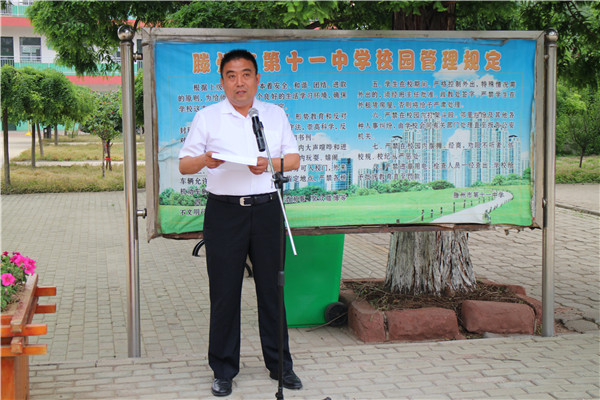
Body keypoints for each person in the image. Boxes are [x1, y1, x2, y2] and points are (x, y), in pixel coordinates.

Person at [179, 49, 302, 397]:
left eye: (246, 74)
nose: (239, 82)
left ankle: (280, 366)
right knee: (224, 293)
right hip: (224, 213)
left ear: (257, 79)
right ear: (222, 82)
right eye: (231, 76)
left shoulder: (273, 114)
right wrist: (206, 160)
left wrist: (270, 163)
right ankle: (223, 370)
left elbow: (293, 158)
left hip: (267, 209)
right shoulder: (207, 117)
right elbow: (184, 165)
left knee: (272, 290)